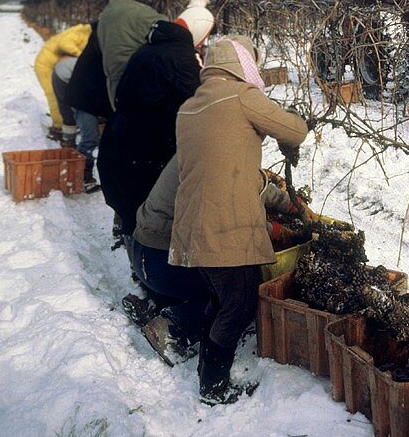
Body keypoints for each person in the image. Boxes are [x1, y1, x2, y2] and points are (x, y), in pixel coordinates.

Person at [169, 36, 308, 405]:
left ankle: (206, 377)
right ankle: (213, 389)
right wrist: (294, 126)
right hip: (225, 227)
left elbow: (219, 155)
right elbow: (294, 130)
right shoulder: (242, 96)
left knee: (219, 299)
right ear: (242, 64)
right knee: (240, 305)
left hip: (190, 227)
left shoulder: (188, 107)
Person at [132, 156, 314, 366]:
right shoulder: (216, 161)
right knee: (238, 294)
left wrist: (293, 205)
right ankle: (172, 329)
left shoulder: (204, 143)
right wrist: (281, 233)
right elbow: (238, 219)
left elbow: (252, 181)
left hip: (145, 253)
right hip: (161, 261)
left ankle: (155, 300)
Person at [102, 0, 214, 324]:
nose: (204, 45)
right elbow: (201, 106)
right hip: (143, 154)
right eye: (204, 39)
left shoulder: (147, 49)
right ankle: (160, 294)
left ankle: (142, 282)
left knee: (132, 216)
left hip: (118, 146)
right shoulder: (180, 58)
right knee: (151, 218)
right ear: (197, 34)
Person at [96, 0, 166, 110]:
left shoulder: (109, 10)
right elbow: (175, 35)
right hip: (141, 96)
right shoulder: (139, 14)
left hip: (117, 92)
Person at [64, 21, 113, 193]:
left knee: (94, 138)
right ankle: (82, 176)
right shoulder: (99, 49)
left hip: (88, 99)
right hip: (82, 100)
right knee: (90, 138)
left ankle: (83, 172)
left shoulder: (100, 44)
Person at [33, 23, 92, 143]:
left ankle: (64, 123)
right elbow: (64, 44)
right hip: (46, 65)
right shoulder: (83, 32)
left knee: (64, 97)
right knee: (54, 97)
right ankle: (58, 128)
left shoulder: (86, 31)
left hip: (56, 65)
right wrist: (81, 56)